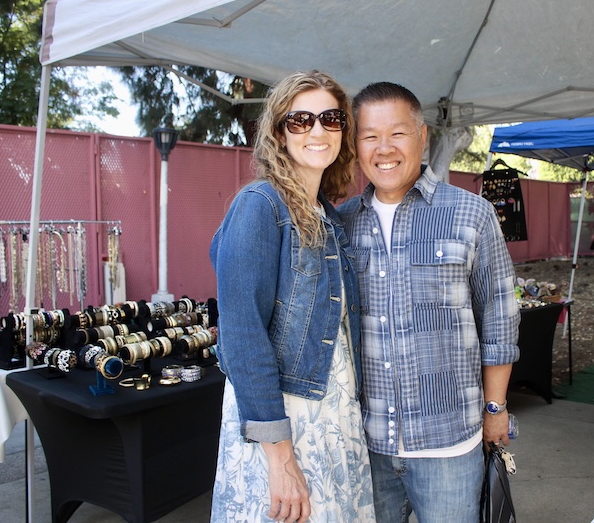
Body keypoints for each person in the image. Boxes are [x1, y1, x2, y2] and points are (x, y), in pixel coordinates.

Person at [339, 82, 520, 523]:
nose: (384, 148)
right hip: (366, 442)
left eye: (397, 133)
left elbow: (500, 317)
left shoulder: (472, 213)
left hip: (449, 445)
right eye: (369, 136)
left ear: (422, 136)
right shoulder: (341, 223)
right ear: (356, 145)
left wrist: (496, 408)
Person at [209, 71, 375, 523]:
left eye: (330, 118)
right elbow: (242, 335)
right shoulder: (260, 204)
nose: (317, 130)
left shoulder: (329, 217)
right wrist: (280, 458)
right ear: (279, 133)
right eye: (301, 120)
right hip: (285, 424)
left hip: (334, 415)